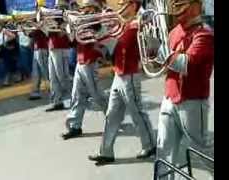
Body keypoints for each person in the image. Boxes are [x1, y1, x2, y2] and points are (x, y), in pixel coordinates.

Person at [151, 0, 214, 179]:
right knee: (164, 149)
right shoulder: (174, 32)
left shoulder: (204, 34)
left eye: (180, 4)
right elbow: (164, 66)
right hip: (169, 97)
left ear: (195, 6)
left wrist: (161, 52)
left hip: (192, 101)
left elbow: (186, 64)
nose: (175, 8)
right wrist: (152, 53)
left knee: (199, 150)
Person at [88, 0, 156, 163]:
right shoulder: (123, 25)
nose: (120, 6)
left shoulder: (138, 24)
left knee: (137, 113)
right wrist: (98, 29)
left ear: (133, 5)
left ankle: (150, 145)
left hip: (130, 74)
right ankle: (106, 152)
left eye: (124, 3)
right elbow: (111, 45)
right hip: (118, 73)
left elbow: (149, 45)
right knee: (111, 115)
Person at [61, 0, 108, 140]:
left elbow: (97, 34)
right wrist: (68, 27)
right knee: (76, 95)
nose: (83, 10)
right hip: (80, 62)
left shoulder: (97, 21)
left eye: (86, 8)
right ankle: (75, 126)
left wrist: (81, 22)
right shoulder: (82, 21)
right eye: (83, 8)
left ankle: (113, 118)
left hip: (90, 62)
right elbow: (72, 42)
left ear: (93, 8)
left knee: (97, 95)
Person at [45, 0, 72, 112]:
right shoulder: (51, 17)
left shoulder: (67, 17)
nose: (56, 8)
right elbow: (47, 33)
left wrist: (61, 26)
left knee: (62, 76)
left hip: (61, 48)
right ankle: (57, 102)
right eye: (56, 6)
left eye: (58, 7)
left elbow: (66, 32)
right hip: (52, 47)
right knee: (53, 77)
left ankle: (77, 96)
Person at [29, 29, 49, 100]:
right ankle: (35, 91)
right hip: (37, 48)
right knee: (36, 71)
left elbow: (34, 33)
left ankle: (52, 89)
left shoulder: (41, 21)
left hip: (42, 47)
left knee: (45, 70)